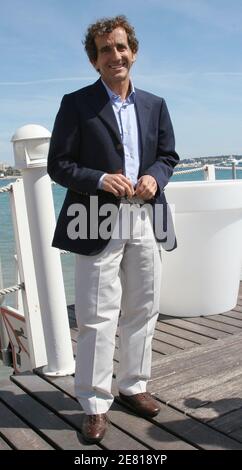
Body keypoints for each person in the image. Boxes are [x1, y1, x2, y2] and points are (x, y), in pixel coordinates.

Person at [47, 15, 179, 443]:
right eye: (106, 50)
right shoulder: (75, 103)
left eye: (121, 47)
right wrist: (101, 179)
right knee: (97, 317)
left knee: (144, 307)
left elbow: (168, 155)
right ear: (95, 60)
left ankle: (133, 386)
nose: (115, 55)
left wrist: (156, 177)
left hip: (146, 216)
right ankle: (94, 403)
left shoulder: (155, 105)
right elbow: (59, 166)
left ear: (133, 52)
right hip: (96, 220)